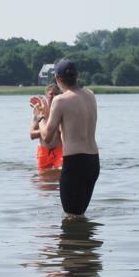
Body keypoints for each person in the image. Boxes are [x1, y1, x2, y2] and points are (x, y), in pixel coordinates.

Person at [38, 60, 99, 216]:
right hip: (93, 161)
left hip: (75, 162)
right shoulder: (90, 95)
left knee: (71, 216)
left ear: (58, 79)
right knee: (80, 214)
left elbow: (47, 136)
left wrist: (41, 118)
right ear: (77, 75)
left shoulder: (60, 100)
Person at [30, 83, 63, 170]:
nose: (53, 96)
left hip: (59, 150)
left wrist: (53, 130)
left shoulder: (62, 110)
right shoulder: (39, 110)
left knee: (60, 171)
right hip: (43, 151)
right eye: (51, 94)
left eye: (56, 94)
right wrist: (48, 130)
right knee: (42, 176)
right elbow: (32, 135)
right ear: (46, 95)